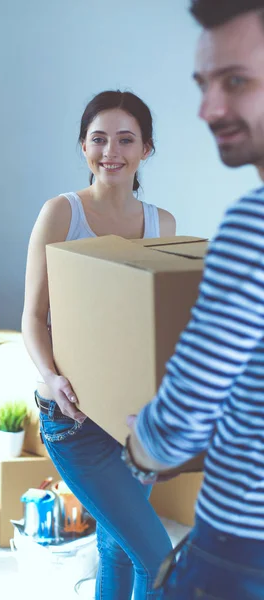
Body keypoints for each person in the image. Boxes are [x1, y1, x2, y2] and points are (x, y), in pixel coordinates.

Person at [124, 2, 264, 599]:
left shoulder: (252, 227)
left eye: (236, 81)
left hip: (241, 547)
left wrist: (140, 445)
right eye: (204, 84)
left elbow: (180, 424)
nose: (209, 109)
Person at [22, 90, 176, 600]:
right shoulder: (61, 214)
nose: (111, 151)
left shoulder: (163, 225)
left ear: (146, 150)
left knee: (117, 549)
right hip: (76, 421)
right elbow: (33, 317)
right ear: (83, 146)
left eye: (126, 139)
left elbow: (159, 325)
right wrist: (53, 379)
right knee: (158, 560)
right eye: (99, 139)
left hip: (137, 423)